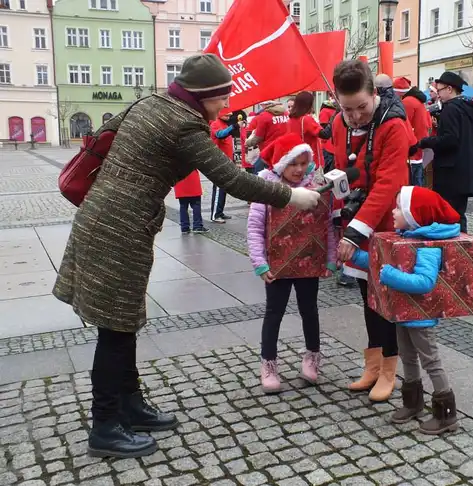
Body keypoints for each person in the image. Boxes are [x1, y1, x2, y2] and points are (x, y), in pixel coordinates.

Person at [52, 53, 321, 459]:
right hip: (118, 228)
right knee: (115, 327)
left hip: (107, 217)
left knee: (123, 321)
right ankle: (106, 425)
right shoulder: (184, 123)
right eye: (222, 97)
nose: (225, 105)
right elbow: (230, 179)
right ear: (204, 95)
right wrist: (292, 196)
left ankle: (130, 404)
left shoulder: (150, 104)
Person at [332, 60, 413, 402]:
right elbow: (343, 169)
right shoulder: (340, 123)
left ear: (374, 94)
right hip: (359, 221)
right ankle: (373, 364)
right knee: (367, 296)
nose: (354, 116)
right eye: (346, 109)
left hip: (387, 224)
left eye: (361, 107)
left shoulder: (393, 124)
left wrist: (353, 233)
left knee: (386, 298)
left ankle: (390, 369)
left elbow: (387, 183)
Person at [350, 186, 461, 434]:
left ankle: (446, 415)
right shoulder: (405, 237)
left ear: (415, 214)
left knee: (431, 362)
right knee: (408, 358)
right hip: (403, 314)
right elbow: (380, 262)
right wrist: (355, 258)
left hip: (421, 319)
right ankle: (413, 403)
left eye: (399, 207)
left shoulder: (428, 246)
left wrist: (389, 275)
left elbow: (424, 283)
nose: (393, 211)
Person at [247, 134, 337, 393]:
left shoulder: (315, 186)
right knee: (274, 312)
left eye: (303, 163)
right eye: (292, 164)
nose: (299, 169)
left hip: (309, 262)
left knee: (310, 310)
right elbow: (254, 228)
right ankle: (269, 363)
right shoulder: (267, 188)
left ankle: (312, 356)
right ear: (280, 165)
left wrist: (330, 259)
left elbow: (327, 224)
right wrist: (260, 263)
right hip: (277, 265)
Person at [419, 72, 473, 233]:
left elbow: (450, 140)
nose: (438, 95)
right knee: (459, 214)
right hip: (466, 170)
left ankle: (456, 253)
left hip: (450, 172)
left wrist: (426, 142)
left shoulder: (451, 109)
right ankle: (464, 251)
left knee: (450, 215)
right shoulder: (470, 110)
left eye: (439, 90)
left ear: (450, 89)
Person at [394, 77, 432, 187]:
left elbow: (404, 124)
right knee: (418, 180)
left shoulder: (407, 102)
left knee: (412, 184)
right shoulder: (417, 101)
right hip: (419, 146)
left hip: (411, 150)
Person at [287, 91, 325, 169]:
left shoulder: (291, 119)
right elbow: (325, 134)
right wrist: (335, 115)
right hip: (312, 161)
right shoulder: (306, 119)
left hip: (297, 159)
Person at [173, 170, 209, 234]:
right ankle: (197, 226)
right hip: (192, 178)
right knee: (196, 204)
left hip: (180, 179)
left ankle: (184, 227)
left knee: (183, 206)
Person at [318, 93, 339, 173]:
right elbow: (324, 130)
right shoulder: (325, 111)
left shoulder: (339, 109)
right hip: (328, 146)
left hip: (337, 146)